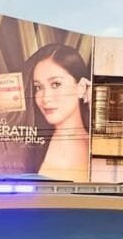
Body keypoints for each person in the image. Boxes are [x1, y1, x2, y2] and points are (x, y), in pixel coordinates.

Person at [27, 43, 91, 181]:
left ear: (81, 87)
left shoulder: (96, 147)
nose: (45, 98)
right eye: (38, 87)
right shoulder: (33, 144)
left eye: (56, 84)